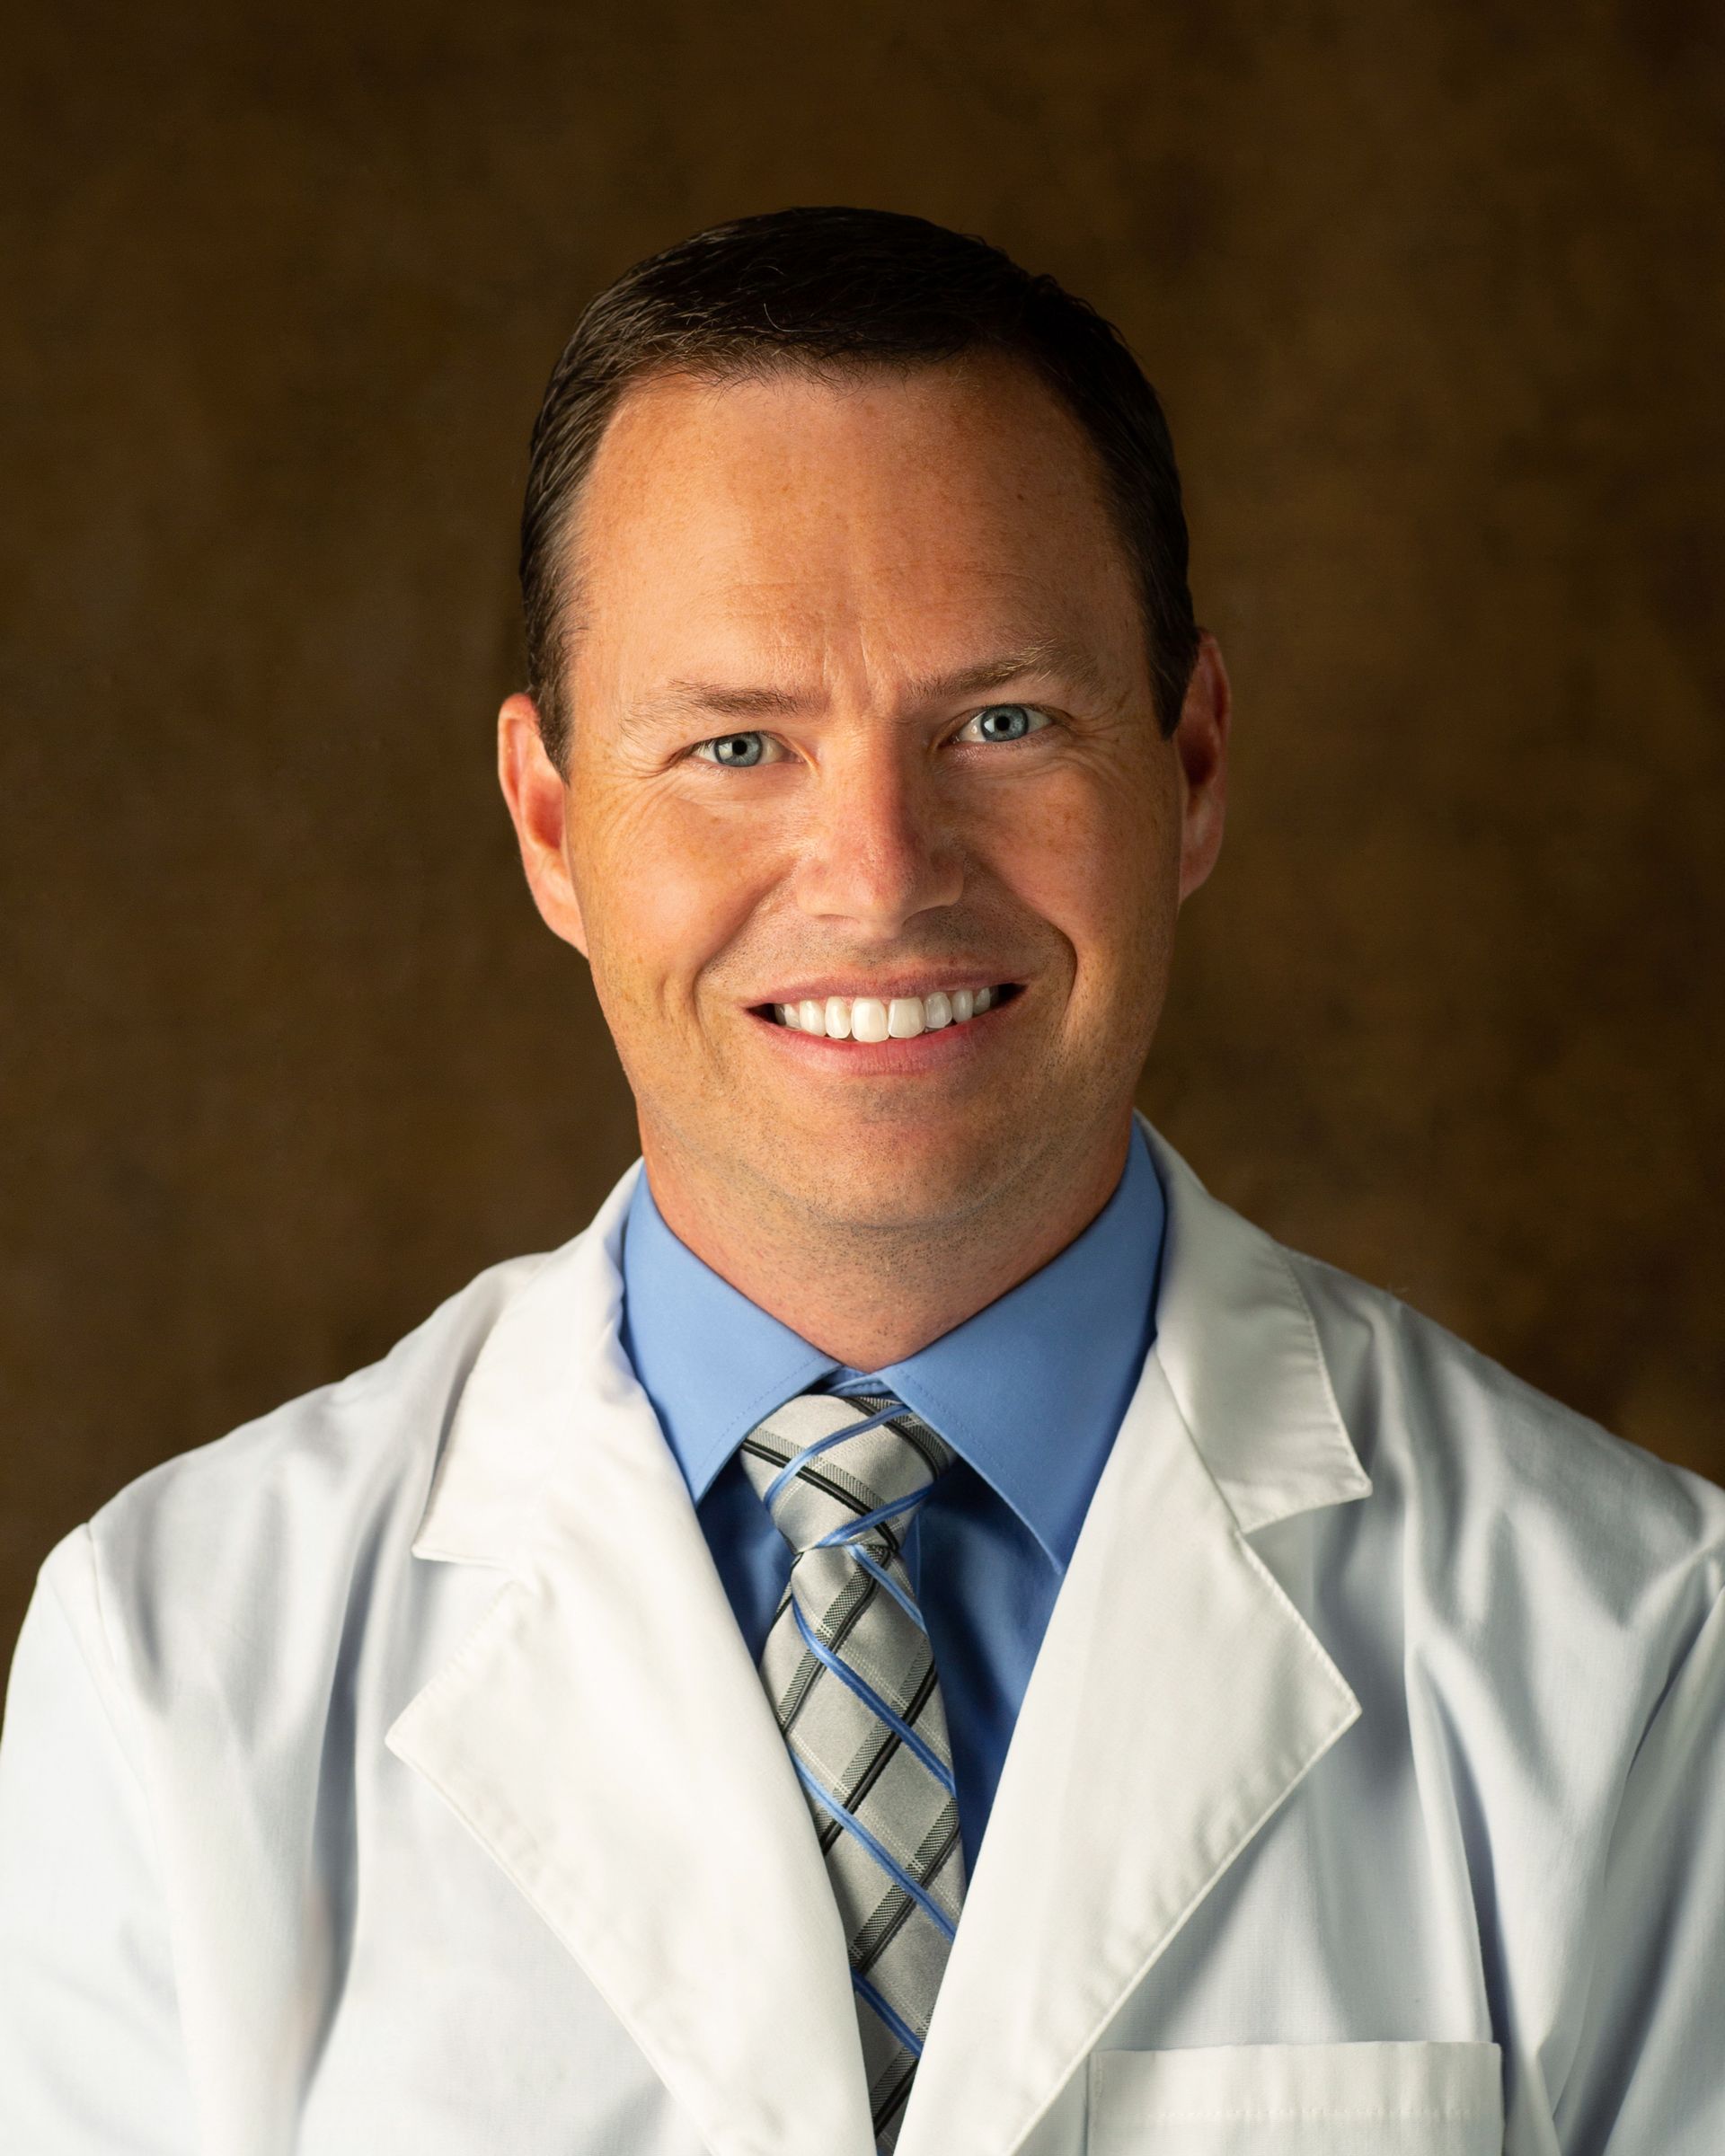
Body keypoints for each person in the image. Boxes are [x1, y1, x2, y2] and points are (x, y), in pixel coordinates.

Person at [1, 207, 1720, 2156]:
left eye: (1001, 722)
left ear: (1196, 764)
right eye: (737, 743)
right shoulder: (174, 1664)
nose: (883, 871)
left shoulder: (1640, 1646)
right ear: (554, 830)